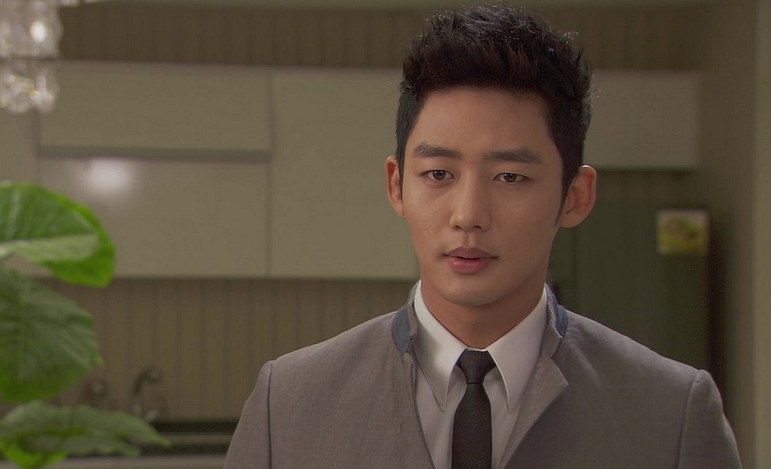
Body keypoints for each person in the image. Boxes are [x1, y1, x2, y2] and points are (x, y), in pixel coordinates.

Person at [224, 3, 742, 468]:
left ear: (575, 196)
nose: (468, 215)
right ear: (397, 186)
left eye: (510, 177)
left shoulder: (671, 413)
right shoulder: (288, 404)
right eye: (438, 174)